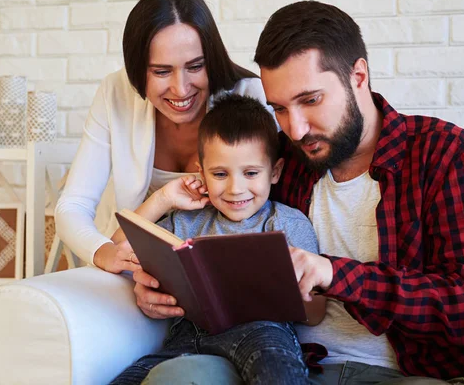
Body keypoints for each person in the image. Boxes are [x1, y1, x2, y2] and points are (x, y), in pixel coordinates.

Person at [142, 0, 464, 385]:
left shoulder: (449, 154)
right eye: (280, 108)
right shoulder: (283, 160)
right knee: (177, 376)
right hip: (288, 364)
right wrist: (159, 285)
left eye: (310, 100)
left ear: (359, 77)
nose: (296, 129)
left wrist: (336, 274)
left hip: (411, 374)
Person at [54, 0, 272, 320]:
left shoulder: (248, 97)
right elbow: (74, 205)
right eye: (161, 71)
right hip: (133, 275)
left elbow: (273, 205)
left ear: (211, 58)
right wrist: (104, 251)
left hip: (223, 289)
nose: (181, 89)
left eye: (195, 66)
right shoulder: (116, 93)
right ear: (137, 68)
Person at [110, 94, 326, 385]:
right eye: (220, 174)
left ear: (274, 172)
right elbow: (118, 245)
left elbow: (315, 314)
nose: (236, 189)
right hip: (187, 334)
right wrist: (163, 199)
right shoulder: (186, 221)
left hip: (261, 330)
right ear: (202, 173)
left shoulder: (288, 223)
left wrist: (285, 289)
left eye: (251, 173)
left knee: (277, 370)